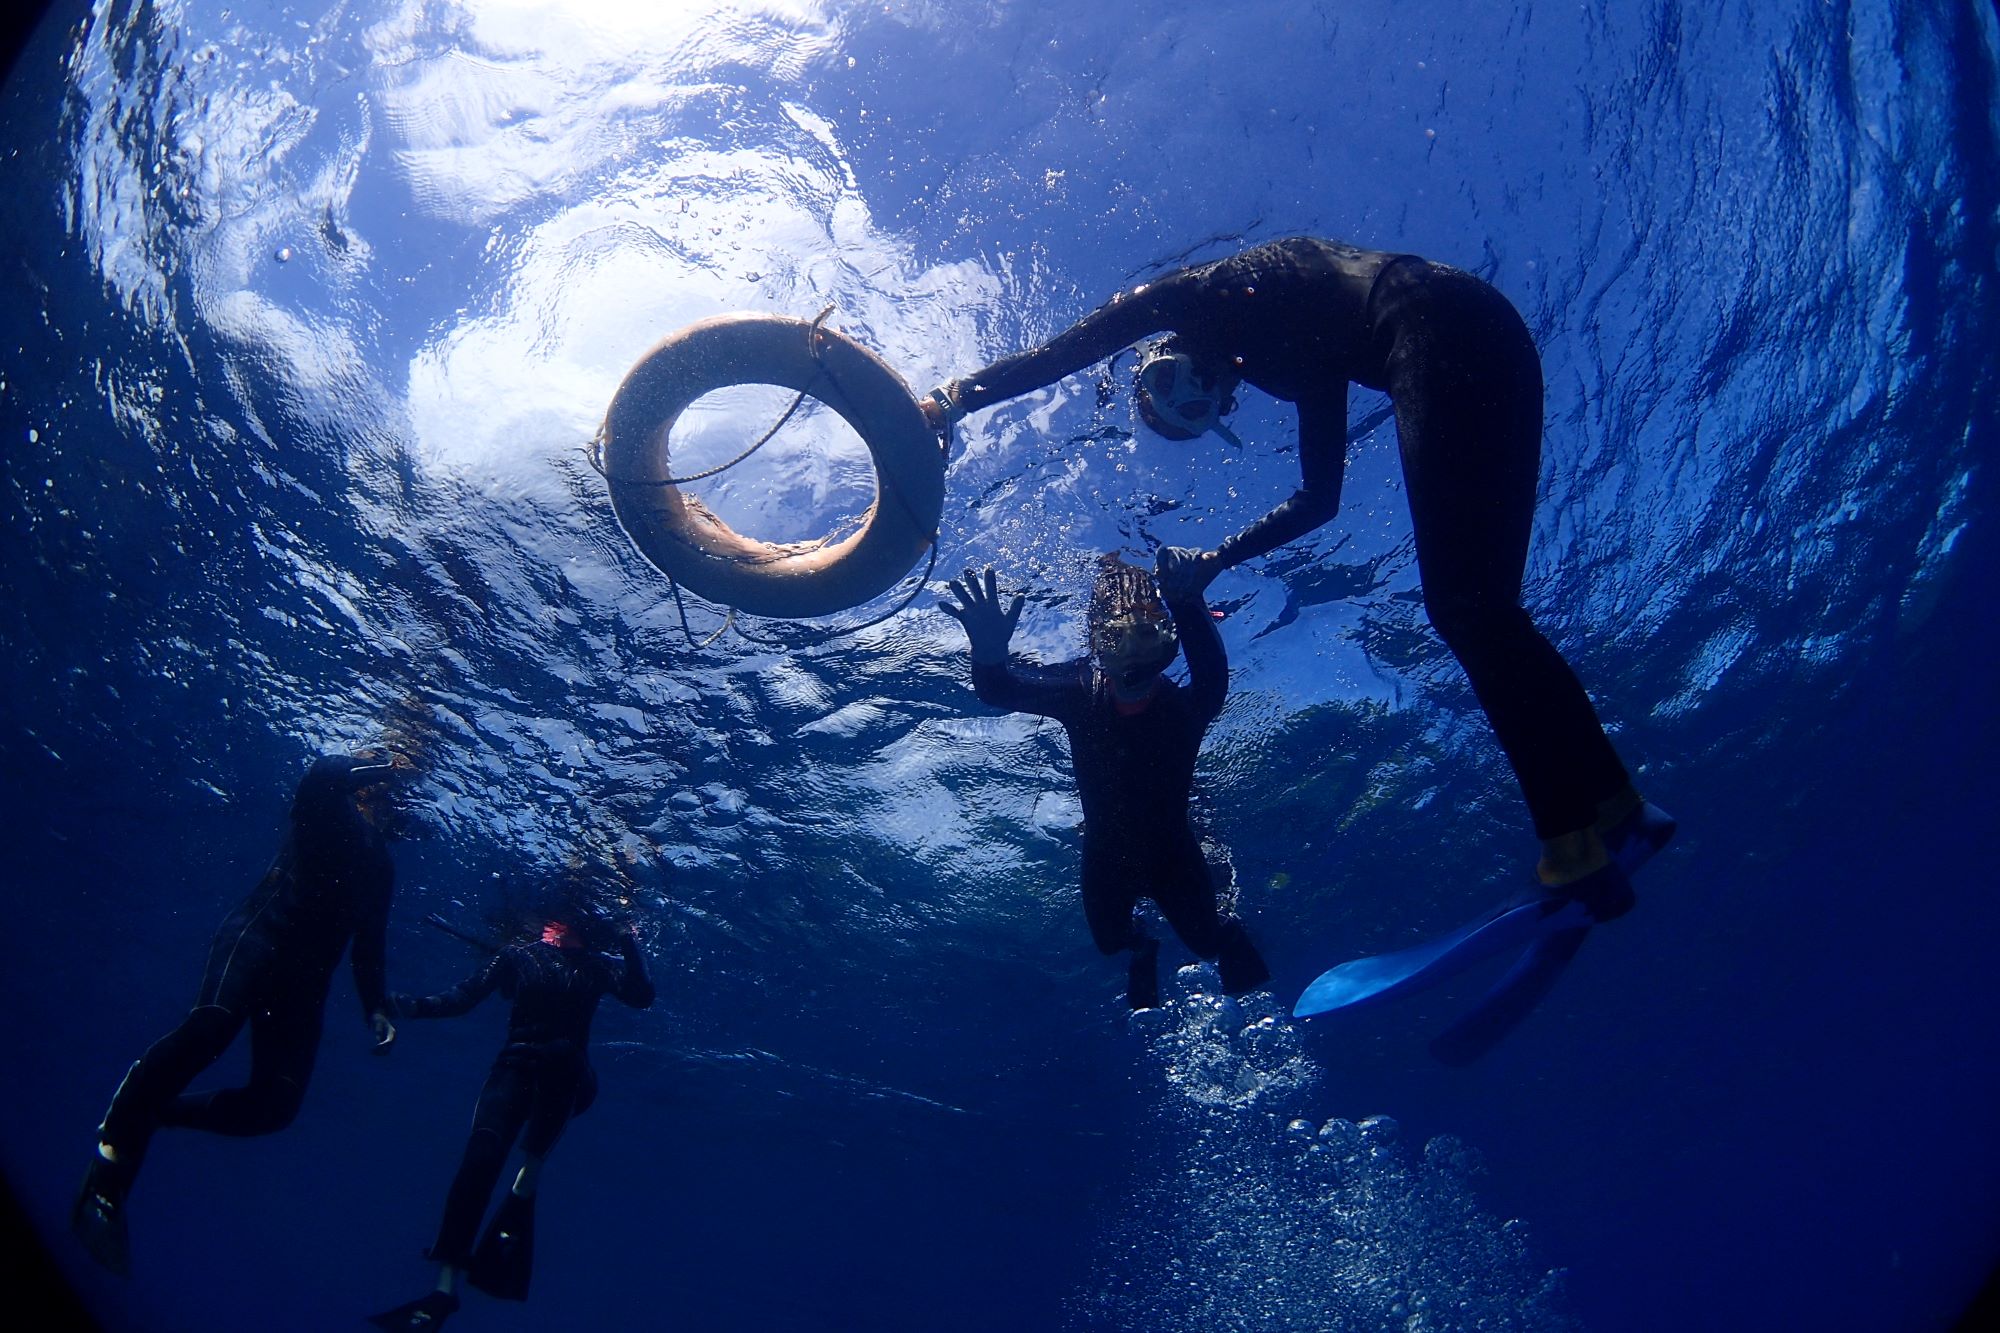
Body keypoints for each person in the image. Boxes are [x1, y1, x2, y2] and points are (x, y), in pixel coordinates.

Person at [921, 237, 1674, 914]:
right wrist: (1219, 559)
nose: (1192, 396)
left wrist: (957, 398)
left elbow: (1069, 351)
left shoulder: (1188, 295)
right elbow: (1321, 499)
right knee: (1486, 610)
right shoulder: (1294, 350)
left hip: (1431, 326)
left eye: (1174, 390)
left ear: (1158, 354)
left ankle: (1569, 843)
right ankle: (1613, 801)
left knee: (1464, 608)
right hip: (1490, 333)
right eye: (1187, 412)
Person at [72, 751, 406, 1275]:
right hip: (258, 940)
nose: (390, 797)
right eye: (383, 784)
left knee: (276, 1106)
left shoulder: (382, 866)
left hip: (303, 986)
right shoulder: (326, 808)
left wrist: (377, 1009)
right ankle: (109, 1162)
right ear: (366, 785)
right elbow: (316, 780)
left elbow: (369, 947)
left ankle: (155, 1110)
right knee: (212, 1026)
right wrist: (367, 767)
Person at [941, 556, 1269, 1009]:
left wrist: (1185, 600)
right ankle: (1144, 948)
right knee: (1113, 942)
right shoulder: (1079, 694)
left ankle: (1226, 928)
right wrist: (990, 654)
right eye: (1116, 639)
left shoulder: (1186, 709)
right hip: (1106, 857)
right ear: (1096, 644)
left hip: (1174, 855)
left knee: (1210, 944)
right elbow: (1000, 690)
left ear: (1168, 640)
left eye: (1146, 635)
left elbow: (1211, 676)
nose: (1133, 654)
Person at [367, 892, 655, 1332]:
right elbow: (461, 998)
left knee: (551, 1089)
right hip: (512, 1072)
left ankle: (523, 1190)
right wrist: (400, 1004)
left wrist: (628, 938)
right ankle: (443, 1292)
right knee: (478, 1165)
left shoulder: (598, 967)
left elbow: (641, 995)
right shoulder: (517, 955)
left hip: (568, 1080)